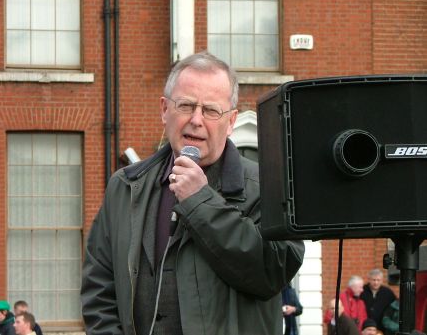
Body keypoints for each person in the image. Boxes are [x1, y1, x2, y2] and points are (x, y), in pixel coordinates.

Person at [80, 51, 305, 335]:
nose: (196, 120)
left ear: (231, 120)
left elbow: (274, 271)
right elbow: (99, 287)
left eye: (211, 110)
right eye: (185, 105)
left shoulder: (266, 187)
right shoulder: (125, 187)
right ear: (164, 110)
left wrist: (200, 201)